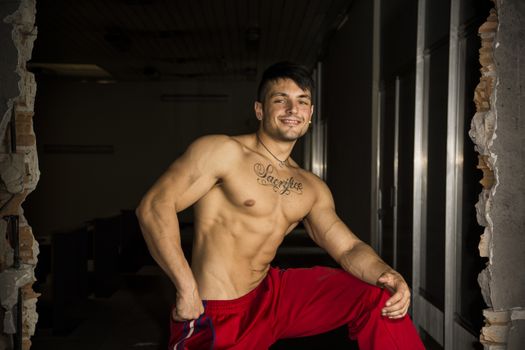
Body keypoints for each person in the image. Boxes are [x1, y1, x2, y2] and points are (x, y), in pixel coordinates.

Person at [136, 61, 425, 350]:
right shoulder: (223, 152)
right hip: (214, 311)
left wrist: (388, 273)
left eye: (302, 101)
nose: (292, 109)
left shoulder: (311, 187)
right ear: (260, 110)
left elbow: (348, 248)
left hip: (270, 297)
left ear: (310, 114)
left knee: (379, 294)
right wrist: (185, 288)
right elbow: (154, 207)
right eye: (280, 99)